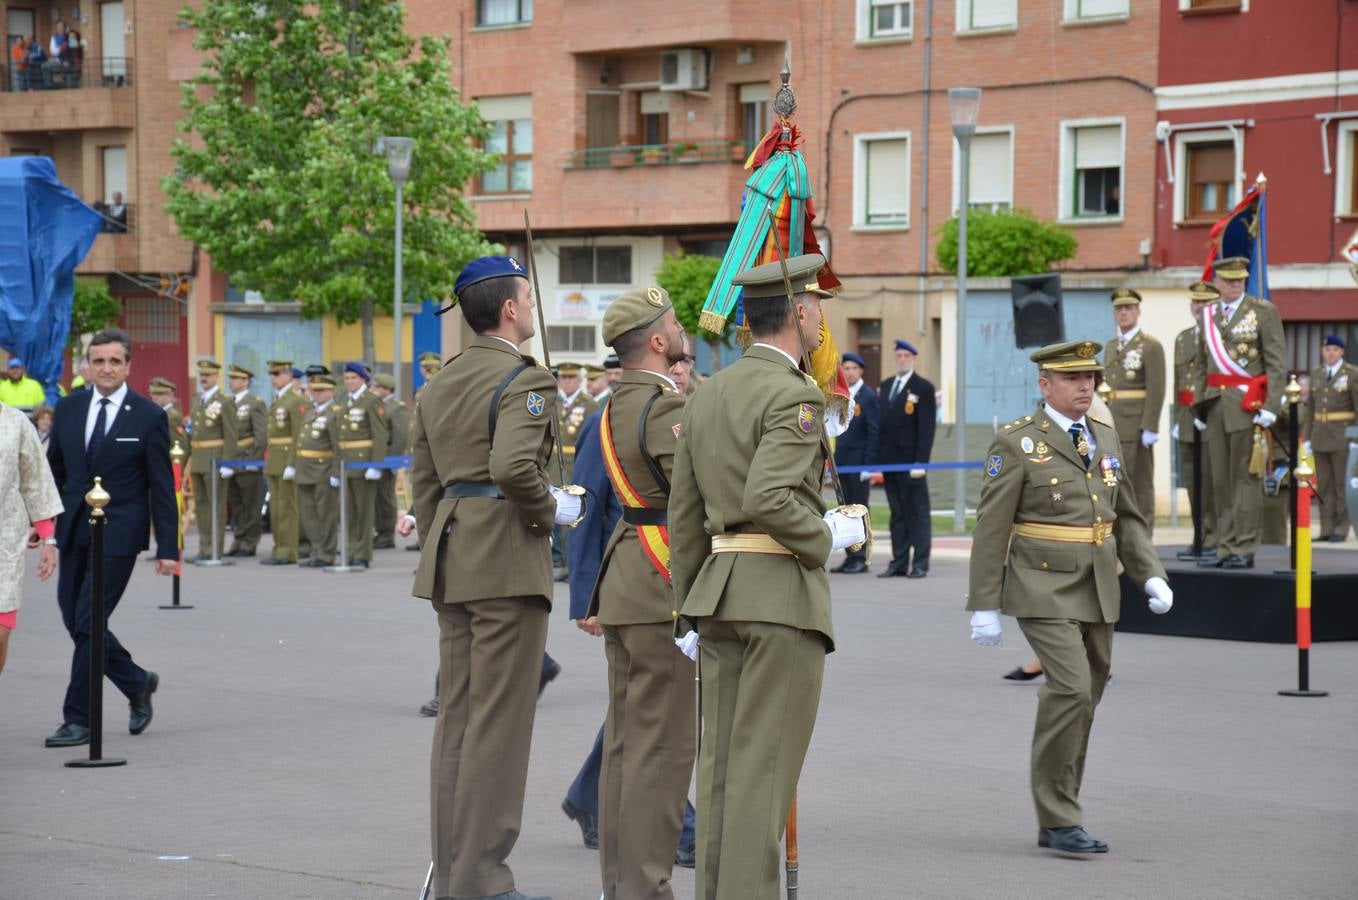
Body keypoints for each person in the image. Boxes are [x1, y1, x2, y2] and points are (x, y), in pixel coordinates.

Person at [669, 253, 864, 899]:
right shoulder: (795, 395)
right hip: (779, 597)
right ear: (801, 313)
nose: (822, 323)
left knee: (723, 772)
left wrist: (686, 608)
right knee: (763, 773)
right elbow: (772, 497)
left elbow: (688, 514)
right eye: (819, 309)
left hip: (720, 594)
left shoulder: (708, 392)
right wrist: (827, 536)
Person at [410, 255, 580, 900]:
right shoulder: (525, 378)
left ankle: (453, 872)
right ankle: (483, 879)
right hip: (506, 559)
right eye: (529, 299)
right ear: (509, 308)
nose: (533, 310)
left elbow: (426, 485)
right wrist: (552, 509)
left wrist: (444, 547)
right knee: (499, 729)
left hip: (454, 558)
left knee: (457, 721)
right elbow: (513, 467)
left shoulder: (439, 383)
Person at [966, 339, 1171, 855]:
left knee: (1087, 698)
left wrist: (1149, 573)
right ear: (1045, 385)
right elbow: (991, 528)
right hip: (1041, 583)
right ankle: (1059, 817)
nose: (1086, 387)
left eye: (1091, 379)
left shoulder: (1104, 435)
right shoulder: (1016, 443)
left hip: (1098, 583)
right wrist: (985, 604)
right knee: (1073, 688)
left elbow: (1126, 514)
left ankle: (1060, 809)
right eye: (1074, 378)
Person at [585, 287, 693, 899]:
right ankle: (645, 889)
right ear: (657, 341)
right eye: (674, 323)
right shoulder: (660, 408)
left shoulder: (613, 402)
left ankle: (619, 884)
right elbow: (692, 499)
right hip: (661, 585)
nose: (680, 330)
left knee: (627, 747)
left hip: (628, 579)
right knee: (666, 749)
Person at [43, 328, 178, 747]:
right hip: (72, 529)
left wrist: (168, 549)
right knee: (75, 619)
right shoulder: (67, 409)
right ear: (87, 365)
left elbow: (161, 486)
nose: (105, 368)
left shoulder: (148, 415)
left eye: (114, 362)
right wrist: (43, 526)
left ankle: (79, 718)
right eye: (98, 361)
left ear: (128, 366)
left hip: (119, 534)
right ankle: (136, 681)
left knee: (88, 620)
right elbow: (53, 475)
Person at [1196, 255, 1287, 569]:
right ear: (1217, 282)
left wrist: (1272, 407)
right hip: (1216, 407)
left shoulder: (1263, 311)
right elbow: (1201, 364)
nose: (1235, 284)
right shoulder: (1207, 315)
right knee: (1220, 481)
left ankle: (1244, 548)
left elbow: (1276, 363)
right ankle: (1224, 547)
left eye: (1240, 279)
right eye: (1229, 280)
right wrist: (1198, 404)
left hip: (1249, 407)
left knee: (1244, 480)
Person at [1, 396, 63, 674]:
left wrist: (48, 538)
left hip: (5, 541)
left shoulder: (16, 422)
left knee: (1, 631)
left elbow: (35, 480)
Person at [1101, 288, 1166, 529]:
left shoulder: (1150, 346)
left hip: (1137, 425)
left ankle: (1143, 536)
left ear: (1138, 311)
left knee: (1139, 484)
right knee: (1114, 481)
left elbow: (1156, 388)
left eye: (1128, 308)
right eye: (1119, 309)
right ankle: (1121, 534)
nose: (1123, 313)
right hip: (1112, 424)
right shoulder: (1111, 346)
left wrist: (1150, 426)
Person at [875, 339, 936, 578]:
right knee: (897, 514)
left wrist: (921, 462)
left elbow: (926, 428)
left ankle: (920, 562)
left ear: (913, 359)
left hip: (912, 463)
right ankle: (899, 562)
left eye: (906, 356)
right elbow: (883, 425)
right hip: (890, 462)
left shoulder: (923, 387)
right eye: (898, 355)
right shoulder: (887, 384)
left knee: (917, 513)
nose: (901, 360)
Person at [1172, 282, 1218, 560]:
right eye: (1195, 302)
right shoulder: (1183, 338)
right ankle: (1199, 536)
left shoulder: (1220, 337)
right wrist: (1179, 415)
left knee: (1212, 482)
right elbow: (1180, 381)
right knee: (1192, 482)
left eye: (1205, 303)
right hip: (1188, 416)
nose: (1199, 307)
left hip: (1211, 415)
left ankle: (1215, 537)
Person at [331, 362, 387, 569]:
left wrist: (375, 464)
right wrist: (337, 468)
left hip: (364, 464)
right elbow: (340, 437)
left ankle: (362, 554)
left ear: (363, 379)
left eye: (354, 378)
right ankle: (351, 549)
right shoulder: (345, 401)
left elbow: (379, 435)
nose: (350, 382)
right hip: (347, 463)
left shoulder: (371, 401)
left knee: (364, 512)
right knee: (350, 512)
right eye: (346, 379)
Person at [1303, 335, 1358, 542]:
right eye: (1327, 349)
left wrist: (1356, 439)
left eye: (1335, 349)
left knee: (1341, 485)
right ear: (1322, 351)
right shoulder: (1316, 373)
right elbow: (1310, 410)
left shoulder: (1352, 374)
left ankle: (1341, 528)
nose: (1331, 353)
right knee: (1324, 485)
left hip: (1343, 437)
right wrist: (1307, 438)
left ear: (1342, 352)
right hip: (1320, 435)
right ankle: (1326, 528)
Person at [831, 352, 880, 574]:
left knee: (859, 509)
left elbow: (873, 432)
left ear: (861, 371)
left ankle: (861, 556)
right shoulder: (842, 394)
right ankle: (850, 555)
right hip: (843, 461)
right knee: (845, 509)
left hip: (859, 463)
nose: (849, 372)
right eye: (846, 368)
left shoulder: (868, 396)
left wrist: (869, 465)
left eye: (853, 368)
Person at [186, 358, 238, 561]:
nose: (204, 378)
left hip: (216, 459)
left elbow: (231, 434)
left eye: (208, 375)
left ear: (216, 376)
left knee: (216, 506)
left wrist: (228, 462)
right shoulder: (197, 399)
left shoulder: (225, 401)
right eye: (202, 375)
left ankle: (215, 549)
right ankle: (204, 547)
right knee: (202, 506)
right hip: (199, 458)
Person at [553, 362, 599, 581]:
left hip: (575, 465)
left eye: (572, 379)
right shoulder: (556, 403)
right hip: (554, 464)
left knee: (573, 520)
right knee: (554, 518)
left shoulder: (588, 404)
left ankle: (574, 566)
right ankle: (561, 563)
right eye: (564, 378)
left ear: (579, 381)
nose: (567, 382)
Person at [262, 360, 310, 565]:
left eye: (278, 374)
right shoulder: (279, 399)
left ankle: (289, 550)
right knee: (275, 507)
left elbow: (298, 435)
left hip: (286, 460)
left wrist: (292, 463)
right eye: (271, 374)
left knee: (287, 508)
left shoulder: (295, 400)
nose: (273, 378)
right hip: (274, 460)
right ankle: (278, 546)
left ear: (289, 376)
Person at [295, 373, 342, 568]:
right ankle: (316, 550)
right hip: (305, 469)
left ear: (332, 391)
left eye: (321, 390)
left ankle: (327, 553)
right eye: (314, 390)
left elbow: (338, 446)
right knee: (308, 514)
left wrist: (336, 472)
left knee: (326, 514)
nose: (316, 394)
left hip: (324, 469)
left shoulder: (336, 413)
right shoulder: (310, 412)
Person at [222, 364, 267, 557]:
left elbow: (261, 434)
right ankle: (239, 539)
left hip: (247, 459)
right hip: (231, 461)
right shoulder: (229, 402)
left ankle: (250, 542)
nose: (231, 381)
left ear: (245, 381)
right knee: (236, 504)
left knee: (251, 504)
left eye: (235, 378)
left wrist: (254, 459)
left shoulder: (254, 402)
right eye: (230, 378)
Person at [370, 372, 410, 550]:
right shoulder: (376, 405)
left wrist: (393, 461)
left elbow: (400, 437)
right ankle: (380, 531)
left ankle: (387, 534)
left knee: (385, 497)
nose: (374, 390)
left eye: (377, 387)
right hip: (375, 458)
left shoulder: (396, 407)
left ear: (387, 389)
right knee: (376, 498)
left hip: (387, 458)